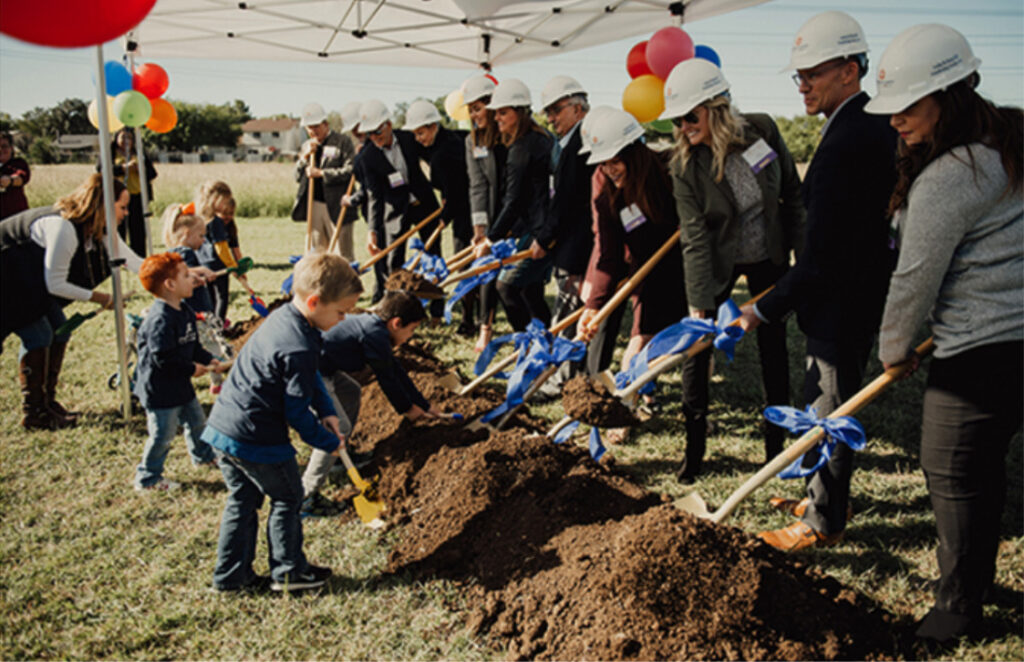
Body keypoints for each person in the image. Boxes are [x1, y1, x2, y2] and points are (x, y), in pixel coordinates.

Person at [864, 24, 1023, 643]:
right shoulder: (1006, 143)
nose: (896, 119)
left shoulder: (951, 173)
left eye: (909, 104)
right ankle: (977, 581)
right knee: (984, 469)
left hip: (980, 351)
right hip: (1012, 339)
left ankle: (956, 611)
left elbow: (915, 279)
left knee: (951, 470)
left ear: (949, 95)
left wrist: (893, 349)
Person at [737, 11, 898, 550]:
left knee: (829, 410)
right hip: (851, 292)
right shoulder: (866, 124)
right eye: (799, 76)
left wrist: (762, 308)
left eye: (813, 74)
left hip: (841, 301)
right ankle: (822, 498)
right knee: (826, 401)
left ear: (850, 70)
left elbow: (823, 255)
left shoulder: (851, 138)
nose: (802, 85)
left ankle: (822, 522)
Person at [664, 58, 806, 481]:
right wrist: (698, 302)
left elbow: (793, 197)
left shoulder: (763, 129)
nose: (683, 127)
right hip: (717, 261)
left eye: (691, 117)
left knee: (773, 350)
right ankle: (693, 453)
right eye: (676, 120)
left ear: (717, 107)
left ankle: (775, 450)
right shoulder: (684, 165)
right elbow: (693, 236)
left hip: (769, 255)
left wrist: (804, 263)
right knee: (697, 348)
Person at [202, 252, 363, 593]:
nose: (344, 319)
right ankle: (289, 573)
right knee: (289, 496)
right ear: (315, 301)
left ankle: (231, 578)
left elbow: (310, 377)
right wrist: (328, 441)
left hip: (224, 427)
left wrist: (328, 411)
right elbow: (296, 413)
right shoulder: (298, 345)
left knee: (243, 499)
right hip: (255, 437)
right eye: (341, 312)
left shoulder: (288, 318)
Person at [0, 174, 144, 430]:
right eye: (122, 207)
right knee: (40, 335)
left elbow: (133, 262)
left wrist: (180, 270)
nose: (126, 213)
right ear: (103, 205)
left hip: (27, 282)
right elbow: (55, 284)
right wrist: (102, 298)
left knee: (61, 329)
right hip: (8, 281)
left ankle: (47, 402)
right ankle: (34, 412)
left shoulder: (98, 229)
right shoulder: (63, 228)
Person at [578, 109, 687, 401]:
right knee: (641, 337)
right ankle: (628, 402)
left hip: (682, 264)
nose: (609, 169)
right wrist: (594, 305)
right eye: (603, 162)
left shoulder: (668, 169)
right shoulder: (604, 189)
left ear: (634, 153)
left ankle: (692, 405)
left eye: (615, 161)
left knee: (692, 340)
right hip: (644, 269)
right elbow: (609, 253)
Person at [301, 290, 447, 509]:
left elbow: (395, 370)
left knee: (351, 391)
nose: (411, 336)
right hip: (308, 372)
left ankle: (339, 456)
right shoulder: (374, 334)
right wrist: (408, 409)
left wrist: (423, 404)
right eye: (411, 330)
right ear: (396, 323)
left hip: (323, 368)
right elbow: (387, 379)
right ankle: (305, 496)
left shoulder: (376, 327)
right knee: (336, 428)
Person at [133, 252, 225, 491]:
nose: (193, 279)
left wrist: (208, 359)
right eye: (186, 275)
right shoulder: (160, 320)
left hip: (180, 383)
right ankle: (148, 478)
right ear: (170, 285)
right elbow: (162, 358)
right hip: (160, 390)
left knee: (196, 422)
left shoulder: (184, 309)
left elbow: (191, 344)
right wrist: (192, 368)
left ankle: (203, 456)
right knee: (162, 435)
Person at [534, 75, 596, 399]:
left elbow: (565, 202)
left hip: (577, 244)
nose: (550, 118)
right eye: (548, 112)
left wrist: (544, 239)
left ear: (577, 107)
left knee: (569, 313)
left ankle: (560, 380)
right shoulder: (567, 144)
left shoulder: (579, 145)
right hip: (573, 242)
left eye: (556, 110)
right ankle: (572, 375)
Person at [476, 78, 554, 331]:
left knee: (506, 286)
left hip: (538, 228)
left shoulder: (521, 149)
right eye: (496, 112)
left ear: (519, 112)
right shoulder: (543, 137)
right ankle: (544, 338)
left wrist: (490, 239)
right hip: (542, 224)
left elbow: (514, 200)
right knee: (530, 291)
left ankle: (527, 340)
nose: (496, 118)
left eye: (503, 112)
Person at [356, 99, 440, 306]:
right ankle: (396, 307)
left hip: (424, 205)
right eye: (369, 133)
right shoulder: (368, 156)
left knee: (433, 256)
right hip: (395, 212)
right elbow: (374, 196)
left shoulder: (408, 138)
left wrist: (445, 187)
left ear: (388, 124)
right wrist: (372, 230)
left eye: (377, 131)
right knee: (394, 262)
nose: (374, 137)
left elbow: (434, 156)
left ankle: (437, 310)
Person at [405, 99, 476, 335]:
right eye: (415, 134)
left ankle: (469, 320)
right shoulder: (448, 138)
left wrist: (444, 216)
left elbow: (456, 192)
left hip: (468, 210)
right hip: (461, 203)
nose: (418, 139)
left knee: (466, 264)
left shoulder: (444, 154)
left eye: (421, 133)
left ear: (434, 126)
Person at [162, 203, 233, 394]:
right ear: (186, 234)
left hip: (188, 309)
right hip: (197, 309)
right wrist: (201, 271)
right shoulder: (184, 253)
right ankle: (217, 382)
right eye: (201, 236)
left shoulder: (175, 253)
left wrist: (201, 277)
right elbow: (182, 274)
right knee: (212, 344)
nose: (203, 240)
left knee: (194, 345)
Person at [461, 75, 507, 351]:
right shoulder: (472, 141)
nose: (474, 115)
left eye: (478, 108)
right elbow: (477, 185)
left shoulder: (507, 134)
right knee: (486, 269)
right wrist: (479, 229)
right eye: (471, 110)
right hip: (490, 211)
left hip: (514, 210)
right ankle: (485, 328)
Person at [290, 102, 357, 258]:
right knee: (316, 255)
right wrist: (304, 158)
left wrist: (321, 173)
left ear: (326, 124)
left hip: (338, 205)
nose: (313, 131)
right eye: (309, 127)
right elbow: (297, 176)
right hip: (314, 205)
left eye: (316, 126)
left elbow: (350, 171)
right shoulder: (306, 146)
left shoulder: (342, 142)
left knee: (342, 255)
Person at [99, 127, 157, 257]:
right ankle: (119, 256)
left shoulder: (139, 153)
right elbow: (101, 171)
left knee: (138, 231)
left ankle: (139, 257)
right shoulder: (110, 153)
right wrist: (122, 168)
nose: (126, 141)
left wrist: (140, 169)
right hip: (117, 199)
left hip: (137, 197)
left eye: (129, 138)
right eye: (123, 137)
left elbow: (153, 173)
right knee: (119, 229)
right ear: (116, 138)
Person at [196, 180, 242, 325]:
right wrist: (232, 266)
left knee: (209, 298)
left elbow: (234, 246)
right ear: (216, 199)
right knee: (222, 297)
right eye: (225, 201)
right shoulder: (216, 222)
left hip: (203, 264)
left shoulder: (203, 219)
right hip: (218, 265)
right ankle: (219, 325)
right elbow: (221, 248)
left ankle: (210, 325)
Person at [1, 131, 30, 220]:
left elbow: (21, 178)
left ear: (11, 148)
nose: (0, 149)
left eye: (4, 146)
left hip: (16, 218)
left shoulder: (18, 163)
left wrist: (9, 181)